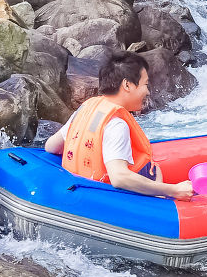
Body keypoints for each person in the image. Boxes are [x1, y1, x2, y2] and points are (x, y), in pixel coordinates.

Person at [46, 52, 196, 199]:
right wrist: (173, 190)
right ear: (127, 85)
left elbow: (51, 146)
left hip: (79, 187)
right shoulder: (116, 124)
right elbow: (119, 177)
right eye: (145, 84)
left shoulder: (86, 108)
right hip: (107, 199)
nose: (148, 92)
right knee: (154, 170)